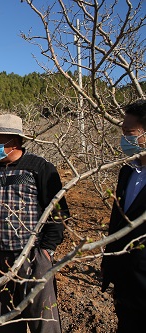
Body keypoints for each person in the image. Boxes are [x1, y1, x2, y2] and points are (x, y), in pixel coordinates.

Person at [0, 114, 69, 333]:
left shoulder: (40, 168)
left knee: (42, 317)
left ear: (13, 142)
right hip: (0, 257)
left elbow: (59, 213)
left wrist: (46, 251)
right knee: (4, 316)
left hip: (33, 255)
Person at [101, 99, 146, 332]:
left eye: (129, 133)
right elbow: (117, 220)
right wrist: (108, 263)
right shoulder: (127, 171)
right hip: (124, 280)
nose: (124, 139)